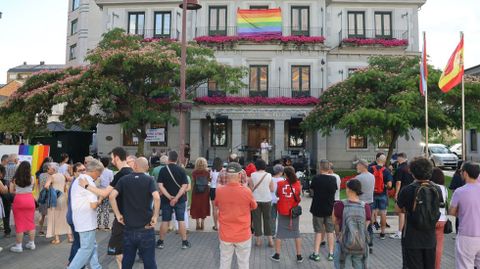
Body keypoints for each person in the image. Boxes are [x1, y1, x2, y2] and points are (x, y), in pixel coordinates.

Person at [78, 147, 134, 269]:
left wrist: (86, 185)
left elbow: (105, 193)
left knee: (119, 251)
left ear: (117, 158)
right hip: (133, 217)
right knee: (127, 248)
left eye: (112, 158)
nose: (112, 160)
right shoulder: (132, 172)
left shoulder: (120, 175)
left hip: (122, 218)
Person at [109, 157, 160, 269]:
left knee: (127, 261)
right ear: (147, 168)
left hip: (128, 229)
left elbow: (112, 196)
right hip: (146, 228)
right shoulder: (150, 180)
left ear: (135, 166)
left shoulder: (124, 180)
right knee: (149, 262)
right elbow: (156, 197)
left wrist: (118, 215)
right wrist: (155, 216)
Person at [396, 157, 442, 269]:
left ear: (412, 172)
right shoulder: (436, 189)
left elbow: (398, 209)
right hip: (430, 237)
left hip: (412, 237)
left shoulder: (407, 189)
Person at [215, 162, 257, 269]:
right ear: (239, 175)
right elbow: (254, 206)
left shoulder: (219, 191)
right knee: (243, 263)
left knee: (224, 261)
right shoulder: (246, 191)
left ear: (226, 175)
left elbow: (217, 205)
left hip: (226, 233)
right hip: (243, 233)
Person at [68, 159, 104, 269]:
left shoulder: (79, 179)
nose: (99, 176)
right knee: (86, 249)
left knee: (91, 246)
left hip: (81, 219)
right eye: (99, 173)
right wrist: (100, 200)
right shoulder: (88, 182)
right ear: (95, 171)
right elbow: (93, 205)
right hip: (86, 221)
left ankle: (96, 267)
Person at [333, 179, 371, 269]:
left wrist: (339, 235)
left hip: (344, 243)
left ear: (348, 189)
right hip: (360, 244)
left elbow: (335, 223)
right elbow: (366, 225)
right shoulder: (366, 206)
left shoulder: (339, 205)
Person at [156, 150, 190, 249]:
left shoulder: (163, 170)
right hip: (180, 199)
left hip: (166, 200)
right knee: (181, 220)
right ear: (177, 159)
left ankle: (161, 242)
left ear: (168, 158)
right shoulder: (181, 170)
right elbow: (184, 186)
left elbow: (160, 186)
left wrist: (169, 196)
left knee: (165, 220)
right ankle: (184, 242)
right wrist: (176, 198)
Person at [449, 161, 480, 269]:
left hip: (466, 235)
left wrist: (463, 212)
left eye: (461, 171)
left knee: (465, 265)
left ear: (465, 173)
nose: (460, 173)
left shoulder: (459, 191)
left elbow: (451, 212)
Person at [270, 166, 303, 263]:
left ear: (285, 174)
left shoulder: (280, 184)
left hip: (283, 210)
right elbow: (299, 195)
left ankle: (277, 255)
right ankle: (299, 256)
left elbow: (277, 195)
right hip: (294, 212)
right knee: (296, 233)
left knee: (280, 233)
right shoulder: (298, 183)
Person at [309, 159, 337, 262]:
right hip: (329, 208)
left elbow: (311, 190)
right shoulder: (333, 179)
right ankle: (331, 253)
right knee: (330, 231)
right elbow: (334, 191)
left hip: (317, 208)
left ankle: (316, 254)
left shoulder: (316, 178)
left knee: (318, 231)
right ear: (329, 168)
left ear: (320, 168)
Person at [9, 161, 36, 253]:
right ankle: (31, 243)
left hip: (19, 200)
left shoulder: (15, 179)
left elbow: (11, 190)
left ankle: (18, 246)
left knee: (19, 223)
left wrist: (19, 191)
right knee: (31, 222)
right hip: (29, 199)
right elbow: (32, 189)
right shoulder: (32, 178)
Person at [45, 162, 73, 244]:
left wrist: (50, 187)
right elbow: (66, 184)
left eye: (48, 168)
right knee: (64, 217)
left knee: (55, 218)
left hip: (55, 199)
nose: (47, 170)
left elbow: (46, 186)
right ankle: (70, 237)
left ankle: (57, 239)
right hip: (64, 197)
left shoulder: (52, 176)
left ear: (53, 169)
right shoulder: (62, 175)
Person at [249, 159, 274, 247]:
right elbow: (272, 189)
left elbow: (251, 189)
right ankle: (270, 240)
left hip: (255, 199)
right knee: (267, 219)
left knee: (256, 220)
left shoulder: (252, 175)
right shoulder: (269, 175)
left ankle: (258, 240)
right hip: (267, 199)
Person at [368, 154, 393, 239]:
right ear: (384, 161)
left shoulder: (371, 169)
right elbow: (389, 185)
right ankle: (382, 233)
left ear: (377, 160)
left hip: (372, 194)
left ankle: (370, 230)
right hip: (382, 195)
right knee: (383, 213)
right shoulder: (386, 171)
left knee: (372, 212)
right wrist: (385, 186)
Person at [66, 163, 86, 268]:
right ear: (74, 173)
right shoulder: (78, 184)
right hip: (75, 218)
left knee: (78, 242)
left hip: (74, 217)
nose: (83, 172)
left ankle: (73, 262)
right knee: (80, 243)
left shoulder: (78, 182)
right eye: (80, 170)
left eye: (84, 169)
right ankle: (74, 264)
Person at [391, 153, 415, 240]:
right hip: (412, 191)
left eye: (397, 158)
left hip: (403, 192)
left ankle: (400, 232)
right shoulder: (410, 167)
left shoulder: (400, 168)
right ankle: (408, 231)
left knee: (401, 212)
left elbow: (398, 182)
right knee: (409, 212)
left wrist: (396, 193)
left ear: (400, 158)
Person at [354, 159, 375, 253]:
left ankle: (360, 244)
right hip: (370, 203)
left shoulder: (358, 178)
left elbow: (355, 192)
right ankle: (369, 243)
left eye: (357, 165)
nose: (356, 167)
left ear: (362, 166)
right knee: (368, 225)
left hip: (360, 204)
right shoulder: (372, 176)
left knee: (359, 225)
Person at [430, 168, 448, 269]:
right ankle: (437, 266)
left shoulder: (430, 187)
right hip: (442, 219)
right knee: (439, 245)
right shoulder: (444, 188)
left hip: (432, 219)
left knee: (429, 244)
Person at [190, 157, 211, 230]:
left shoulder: (194, 172)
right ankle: (202, 222)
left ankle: (197, 223)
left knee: (196, 206)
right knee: (204, 206)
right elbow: (209, 180)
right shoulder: (207, 172)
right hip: (205, 191)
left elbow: (193, 181)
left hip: (196, 191)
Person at [2, 153, 18, 237]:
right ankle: (21, 229)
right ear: (15, 160)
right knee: (19, 211)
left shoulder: (4, 168)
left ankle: (7, 231)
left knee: (6, 212)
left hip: (5, 191)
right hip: (15, 192)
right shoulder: (17, 168)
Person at [97, 157, 113, 230]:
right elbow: (112, 182)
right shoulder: (110, 172)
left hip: (99, 191)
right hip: (107, 191)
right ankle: (106, 225)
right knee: (106, 208)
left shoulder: (98, 171)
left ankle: (97, 225)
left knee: (99, 208)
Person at [270, 164, 285, 237]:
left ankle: (272, 233)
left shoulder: (270, 179)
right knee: (281, 217)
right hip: (280, 201)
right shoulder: (283, 180)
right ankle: (280, 232)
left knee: (272, 218)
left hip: (272, 200)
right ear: (280, 172)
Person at [210, 157, 223, 231]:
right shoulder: (223, 171)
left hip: (213, 189)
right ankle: (221, 224)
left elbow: (210, 178)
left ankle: (215, 225)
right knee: (221, 209)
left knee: (214, 209)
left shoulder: (212, 171)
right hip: (221, 189)